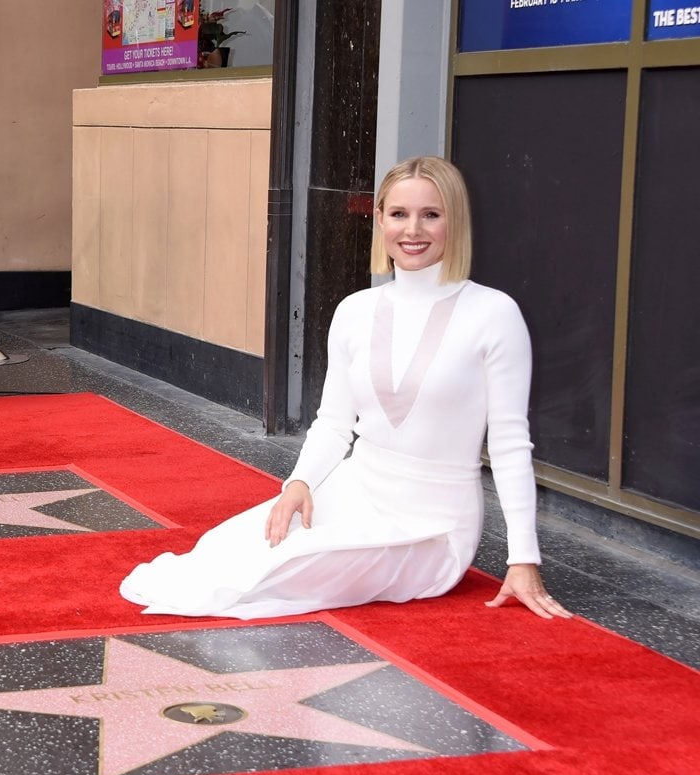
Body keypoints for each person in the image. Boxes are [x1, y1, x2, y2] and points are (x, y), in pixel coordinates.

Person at [121, 156, 570, 622]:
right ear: (379, 219)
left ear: (455, 221)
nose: (412, 230)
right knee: (219, 556)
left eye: (431, 214)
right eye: (398, 214)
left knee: (280, 568)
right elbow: (334, 423)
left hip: (433, 528)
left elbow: (510, 442)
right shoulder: (355, 310)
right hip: (355, 489)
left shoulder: (494, 313)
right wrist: (299, 483)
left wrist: (524, 559)